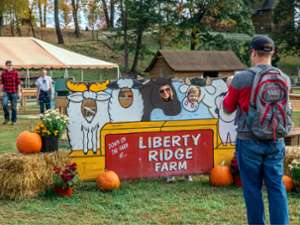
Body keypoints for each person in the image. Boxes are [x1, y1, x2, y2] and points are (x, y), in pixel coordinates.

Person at [223, 35, 290, 225]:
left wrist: (231, 88)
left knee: (252, 189)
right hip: (276, 140)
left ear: (252, 53)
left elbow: (227, 108)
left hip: (249, 140)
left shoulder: (241, 78)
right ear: (273, 53)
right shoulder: (284, 78)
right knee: (276, 187)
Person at [1, 60, 21, 125]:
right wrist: (1, 91)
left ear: (12, 65)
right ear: (6, 66)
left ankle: (13, 120)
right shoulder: (3, 73)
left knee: (14, 107)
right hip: (6, 92)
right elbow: (2, 83)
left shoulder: (15, 73)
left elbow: (18, 83)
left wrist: (19, 92)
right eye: (8, 65)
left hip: (14, 92)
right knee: (4, 104)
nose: (9, 66)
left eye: (10, 65)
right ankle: (7, 119)